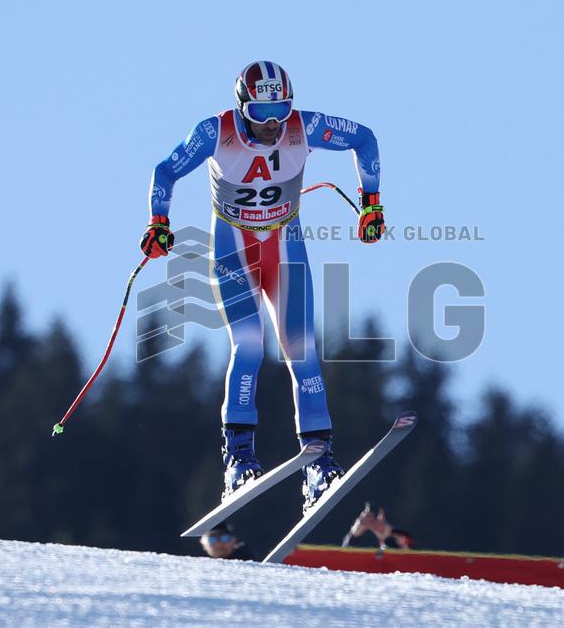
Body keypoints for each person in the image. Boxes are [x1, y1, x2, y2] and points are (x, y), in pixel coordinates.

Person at [141, 61, 384, 511]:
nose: (273, 125)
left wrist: (371, 203)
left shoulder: (303, 127)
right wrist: (159, 223)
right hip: (234, 247)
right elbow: (165, 170)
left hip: (285, 246)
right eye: (261, 114)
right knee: (249, 345)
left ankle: (318, 465)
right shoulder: (215, 132)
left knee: (302, 348)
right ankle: (238, 460)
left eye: (280, 112)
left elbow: (364, 138)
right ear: (242, 107)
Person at [343, 504, 415, 550]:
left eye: (379, 516)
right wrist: (354, 535)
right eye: (368, 520)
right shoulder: (369, 543)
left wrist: (390, 537)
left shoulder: (403, 535)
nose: (374, 523)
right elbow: (344, 559)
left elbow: (413, 557)